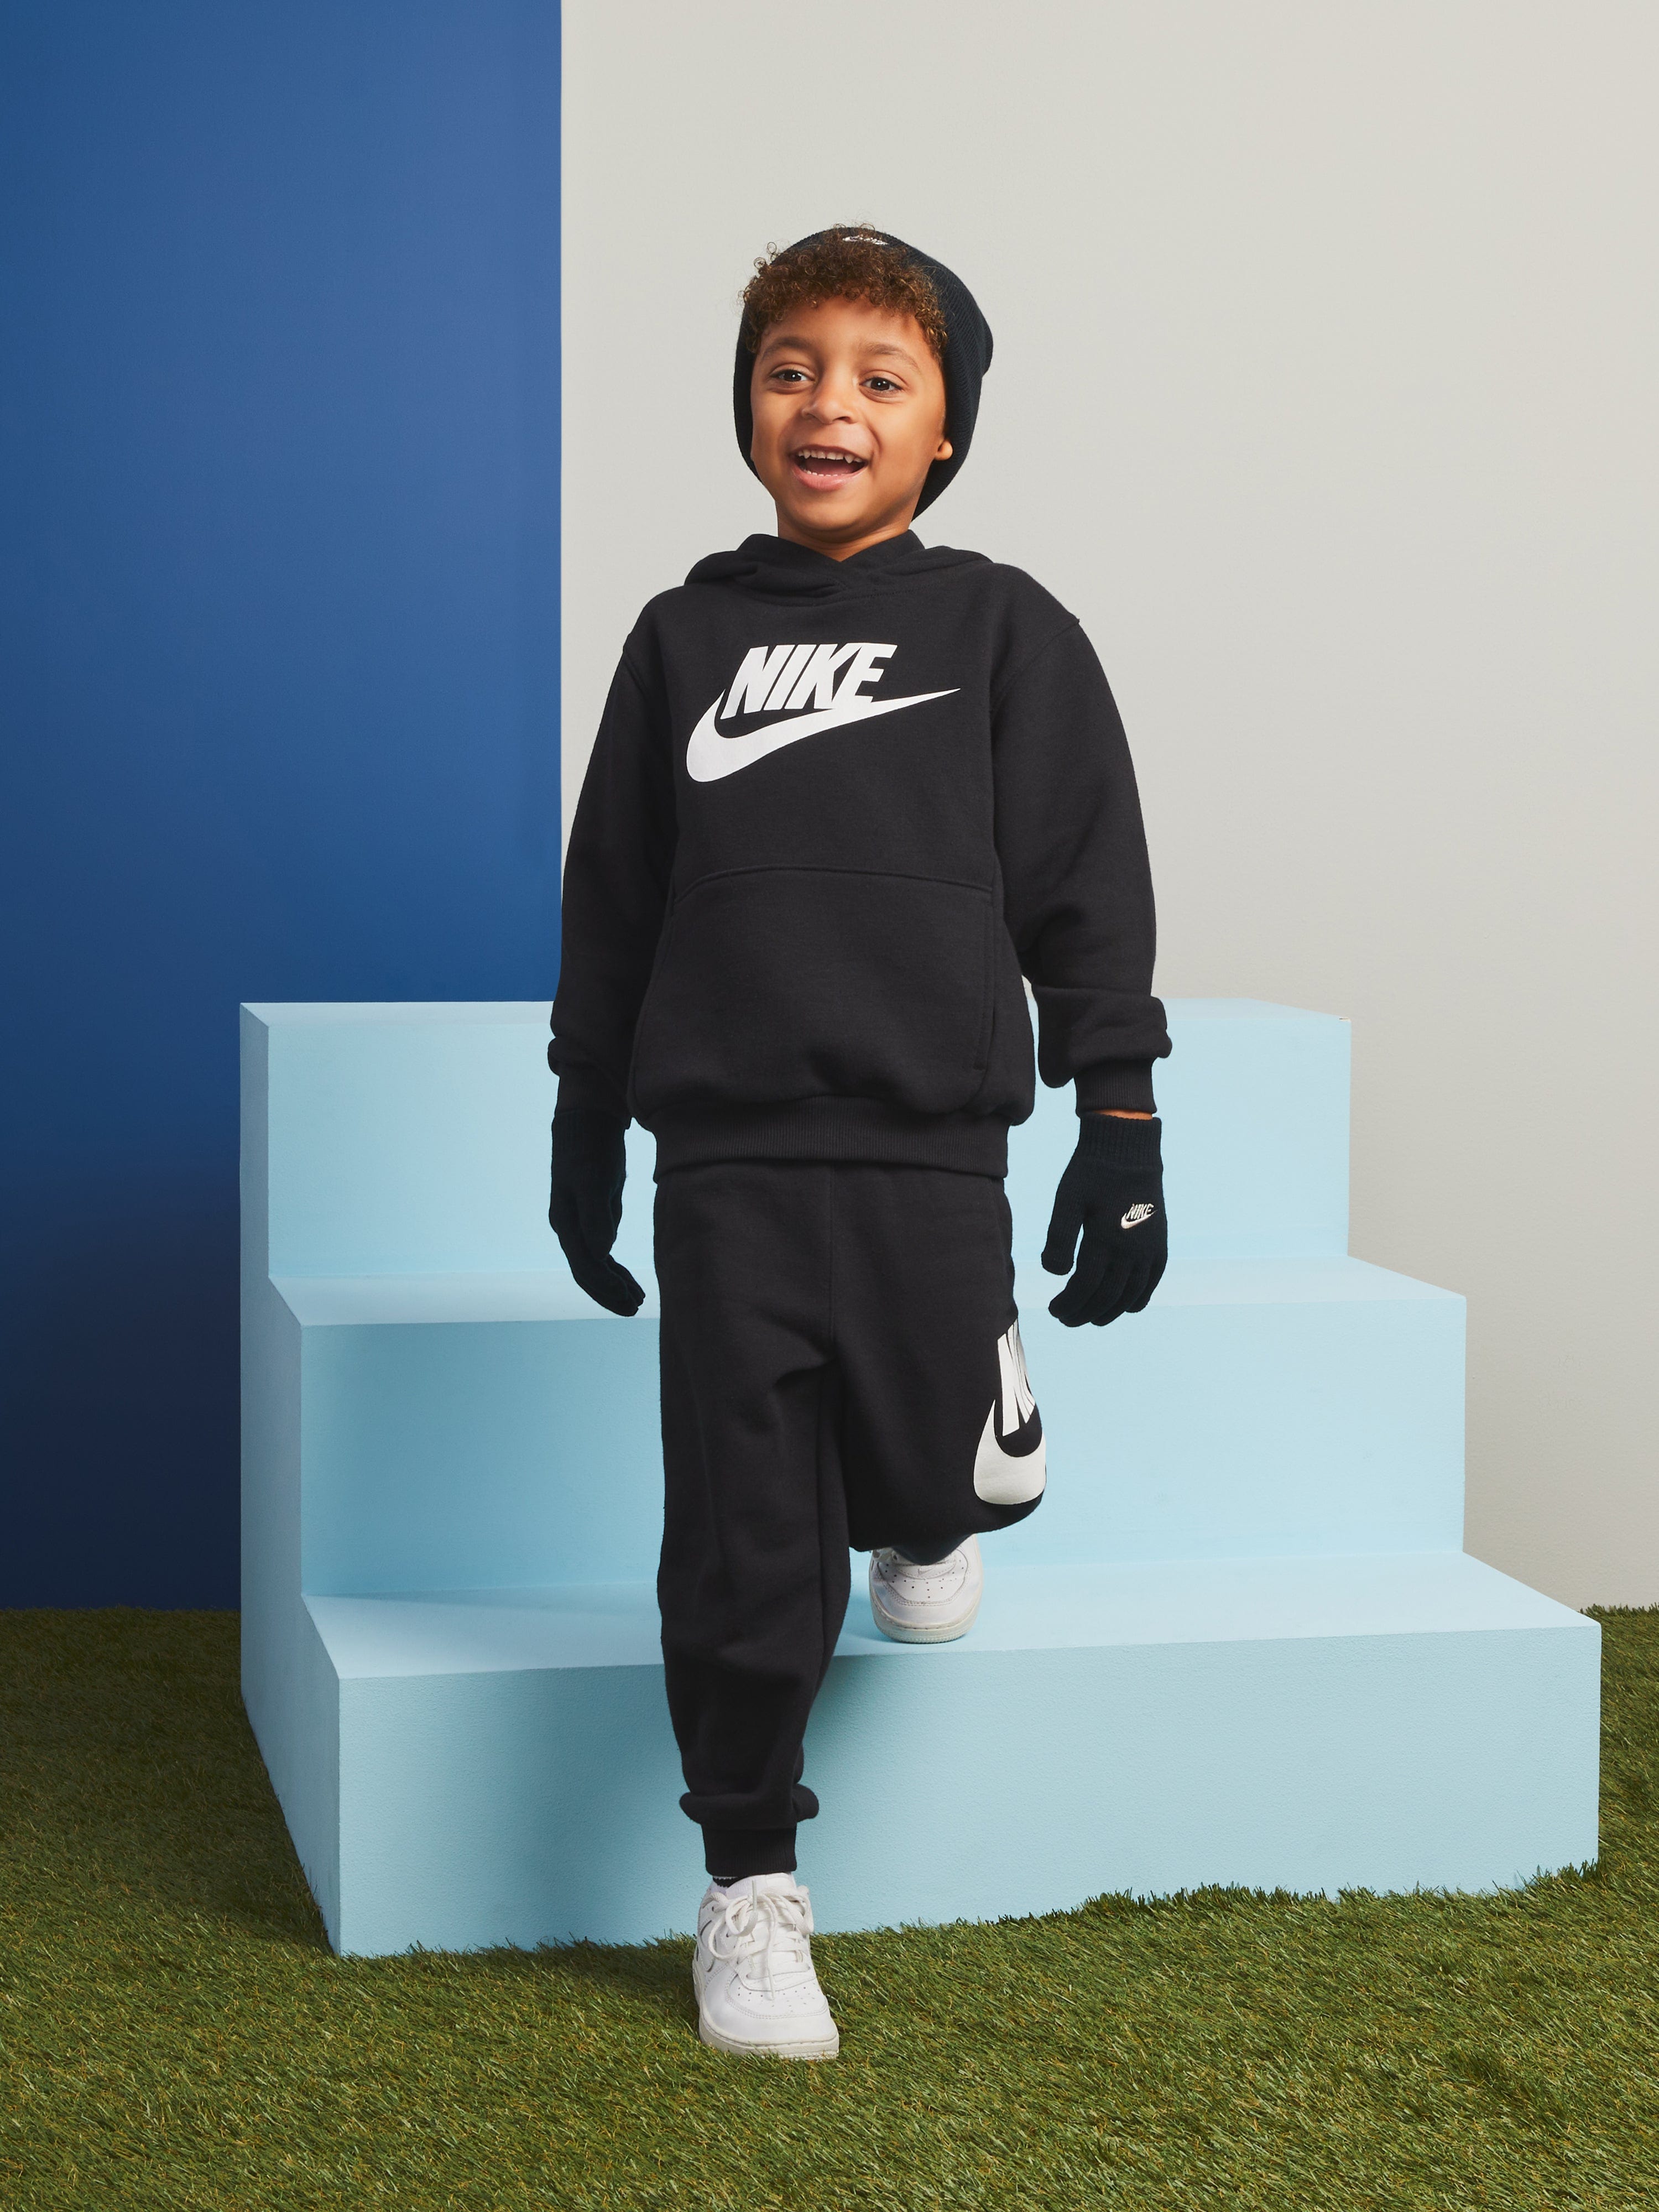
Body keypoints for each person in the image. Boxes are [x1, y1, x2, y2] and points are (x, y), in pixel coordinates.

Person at [549, 226, 1170, 2060]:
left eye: (880, 378)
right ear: (749, 406)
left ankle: (937, 1501)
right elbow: (613, 905)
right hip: (730, 1160)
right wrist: (586, 1122)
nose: (829, 404)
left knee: (940, 1475)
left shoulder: (1004, 631)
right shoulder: (681, 640)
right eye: (791, 368)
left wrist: (1121, 1113)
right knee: (744, 1538)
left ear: (945, 429)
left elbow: (1087, 887)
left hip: (931, 1151)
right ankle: (750, 1884)